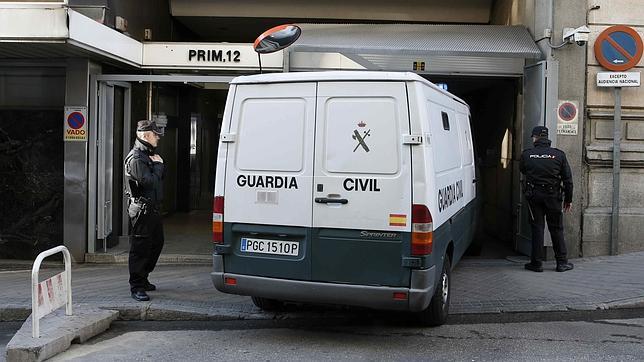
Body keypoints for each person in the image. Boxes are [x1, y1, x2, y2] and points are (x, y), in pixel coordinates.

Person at [520, 126, 574, 273]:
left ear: (535, 137)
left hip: (534, 196)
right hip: (553, 197)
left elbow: (523, 170)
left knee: (537, 228)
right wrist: (568, 200)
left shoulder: (527, 154)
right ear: (547, 137)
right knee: (556, 229)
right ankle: (562, 263)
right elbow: (568, 180)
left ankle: (536, 263)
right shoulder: (559, 155)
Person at [124, 120, 165, 301]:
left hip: (153, 209)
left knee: (157, 243)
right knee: (140, 248)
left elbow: (160, 179)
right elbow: (150, 182)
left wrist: (158, 166)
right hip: (141, 210)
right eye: (155, 134)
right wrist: (158, 166)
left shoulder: (149, 155)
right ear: (145, 135)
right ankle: (137, 286)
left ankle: (144, 277)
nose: (157, 138)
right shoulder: (136, 158)